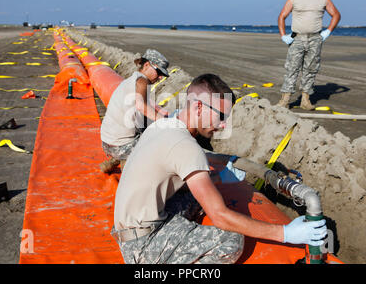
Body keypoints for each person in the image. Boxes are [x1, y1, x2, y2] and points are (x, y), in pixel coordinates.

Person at [111, 73, 327, 264]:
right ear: (198, 107)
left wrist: (221, 178)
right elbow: (220, 217)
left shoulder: (163, 125)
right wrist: (286, 233)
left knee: (198, 197)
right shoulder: (184, 146)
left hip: (131, 227)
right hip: (142, 246)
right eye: (221, 116)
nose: (223, 125)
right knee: (231, 240)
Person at [277, 0, 341, 110]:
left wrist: (328, 31)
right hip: (297, 39)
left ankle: (305, 100)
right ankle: (285, 100)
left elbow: (336, 14)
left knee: (311, 70)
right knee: (292, 69)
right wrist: (283, 35)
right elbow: (282, 16)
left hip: (315, 39)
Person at [100, 49, 170, 174]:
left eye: (162, 75)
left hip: (107, 141)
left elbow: (144, 106)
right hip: (120, 145)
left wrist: (158, 114)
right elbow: (141, 106)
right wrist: (166, 123)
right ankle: (127, 165)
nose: (160, 77)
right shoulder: (142, 81)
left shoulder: (131, 80)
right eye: (159, 72)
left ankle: (113, 161)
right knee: (157, 140)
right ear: (147, 65)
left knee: (146, 127)